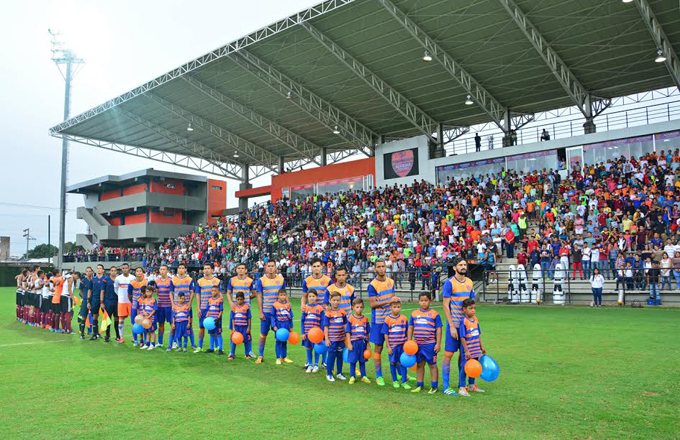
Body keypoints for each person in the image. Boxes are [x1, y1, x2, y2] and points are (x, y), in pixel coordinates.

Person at [441, 257, 475, 396]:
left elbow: (471, 304)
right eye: (460, 265)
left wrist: (473, 322)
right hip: (454, 325)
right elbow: (445, 305)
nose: (463, 267)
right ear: (454, 267)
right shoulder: (449, 283)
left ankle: (466, 385)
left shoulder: (469, 282)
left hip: (466, 327)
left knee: (465, 355)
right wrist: (452, 326)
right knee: (448, 355)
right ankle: (446, 386)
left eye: (464, 265)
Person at [367, 259, 395, 386]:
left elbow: (393, 301)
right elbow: (372, 304)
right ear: (375, 269)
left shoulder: (391, 282)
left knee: (395, 346)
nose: (381, 269)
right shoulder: (372, 285)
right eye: (379, 267)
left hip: (391, 319)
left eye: (383, 266)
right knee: (379, 347)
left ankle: (398, 374)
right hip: (378, 320)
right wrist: (388, 301)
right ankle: (379, 376)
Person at [408, 292, 442, 394]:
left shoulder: (435, 314)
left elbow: (439, 329)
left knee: (432, 365)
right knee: (419, 365)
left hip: (430, 344)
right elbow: (410, 328)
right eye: (422, 301)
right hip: (417, 345)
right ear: (419, 301)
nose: (424, 303)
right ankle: (419, 385)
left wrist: (438, 344)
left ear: (430, 301)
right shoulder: (414, 314)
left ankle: (434, 386)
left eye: (426, 300)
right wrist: (409, 342)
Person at [254, 261, 286, 364]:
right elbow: (259, 296)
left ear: (276, 267)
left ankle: (281, 357)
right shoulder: (261, 280)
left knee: (280, 334)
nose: (271, 268)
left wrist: (287, 306)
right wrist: (260, 312)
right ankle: (260, 355)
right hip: (266, 312)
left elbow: (284, 295)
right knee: (263, 334)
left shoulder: (281, 280)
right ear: (265, 267)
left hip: (279, 312)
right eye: (269, 266)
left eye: (273, 266)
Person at [458, 299, 486, 396]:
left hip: (476, 349)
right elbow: (462, 337)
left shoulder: (476, 319)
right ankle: (462, 387)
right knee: (465, 368)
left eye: (474, 308)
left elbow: (478, 334)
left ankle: (471, 385)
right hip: (468, 351)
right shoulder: (464, 321)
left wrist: (481, 347)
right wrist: (466, 351)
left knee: (473, 368)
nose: (473, 310)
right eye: (470, 308)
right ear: (464, 309)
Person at [381, 297, 411, 390]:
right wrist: (388, 346)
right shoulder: (387, 319)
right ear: (391, 307)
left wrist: (408, 344)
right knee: (393, 363)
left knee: (403, 363)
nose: (396, 309)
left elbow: (407, 332)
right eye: (394, 307)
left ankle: (404, 382)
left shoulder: (404, 318)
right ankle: (395, 381)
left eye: (398, 307)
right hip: (393, 346)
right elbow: (385, 334)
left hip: (402, 346)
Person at [195, 263, 222, 353]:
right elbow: (198, 295)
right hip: (203, 308)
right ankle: (200, 346)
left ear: (212, 270)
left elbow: (221, 295)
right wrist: (198, 307)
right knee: (201, 327)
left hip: (214, 309)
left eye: (208, 268)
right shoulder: (199, 281)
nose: (206, 270)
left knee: (214, 328)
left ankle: (217, 347)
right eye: (205, 268)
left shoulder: (217, 281)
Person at [345, 298, 371, 385]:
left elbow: (367, 332)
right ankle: (352, 376)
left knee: (362, 360)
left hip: (362, 343)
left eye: (361, 307)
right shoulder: (350, 319)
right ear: (353, 307)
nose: (359, 309)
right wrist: (349, 343)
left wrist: (368, 344)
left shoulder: (365, 319)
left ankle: (363, 376)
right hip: (354, 343)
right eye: (357, 307)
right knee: (353, 360)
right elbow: (348, 332)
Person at [323, 291, 347, 382]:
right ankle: (329, 374)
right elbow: (326, 327)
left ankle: (339, 373)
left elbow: (345, 325)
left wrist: (347, 336)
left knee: (340, 355)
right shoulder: (328, 313)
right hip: (332, 339)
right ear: (330, 300)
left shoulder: (342, 312)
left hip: (341, 338)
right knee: (331, 356)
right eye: (334, 300)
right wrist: (326, 339)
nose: (336, 302)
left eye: (338, 300)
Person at [171, 264, 196, 349]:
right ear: (177, 270)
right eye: (179, 268)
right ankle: (175, 343)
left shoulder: (190, 279)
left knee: (190, 324)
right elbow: (170, 292)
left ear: (185, 269)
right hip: (176, 306)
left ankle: (193, 344)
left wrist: (189, 303)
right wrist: (173, 304)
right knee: (175, 324)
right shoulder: (173, 280)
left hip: (186, 306)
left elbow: (192, 291)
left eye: (183, 268)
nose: (181, 269)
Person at [301, 289, 324, 372]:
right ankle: (310, 365)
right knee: (308, 348)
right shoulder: (305, 308)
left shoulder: (320, 308)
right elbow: (302, 321)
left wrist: (321, 332)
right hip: (307, 333)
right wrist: (303, 333)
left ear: (316, 297)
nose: (311, 298)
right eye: (310, 296)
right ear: (307, 298)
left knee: (316, 348)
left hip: (317, 334)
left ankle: (316, 365)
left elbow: (322, 321)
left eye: (313, 296)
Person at [271, 288, 293, 364]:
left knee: (284, 342)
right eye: (281, 295)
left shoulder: (288, 305)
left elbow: (290, 316)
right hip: (278, 325)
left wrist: (291, 326)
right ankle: (278, 358)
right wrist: (274, 326)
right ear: (278, 296)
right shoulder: (275, 305)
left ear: (286, 296)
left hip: (286, 325)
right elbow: (273, 316)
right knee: (278, 341)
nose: (283, 297)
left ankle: (284, 357)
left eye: (284, 295)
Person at [114, 263, 135, 344]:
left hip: (131, 301)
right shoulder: (118, 278)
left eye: (126, 268)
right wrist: (120, 296)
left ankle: (134, 337)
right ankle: (121, 337)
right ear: (121, 269)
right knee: (121, 319)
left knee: (133, 319)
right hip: (122, 301)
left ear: (129, 268)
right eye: (123, 268)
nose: (125, 269)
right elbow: (115, 289)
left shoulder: (133, 278)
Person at [228, 291, 252, 360]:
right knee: (233, 340)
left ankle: (247, 354)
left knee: (246, 341)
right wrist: (233, 327)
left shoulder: (246, 307)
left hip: (244, 327)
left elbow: (249, 318)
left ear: (243, 299)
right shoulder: (234, 307)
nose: (239, 301)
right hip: (236, 327)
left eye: (241, 299)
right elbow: (232, 318)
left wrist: (248, 328)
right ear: (236, 299)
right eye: (238, 299)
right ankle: (232, 354)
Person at [154, 264, 173, 348]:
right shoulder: (157, 281)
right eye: (161, 269)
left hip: (169, 306)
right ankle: (160, 342)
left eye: (164, 269)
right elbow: (157, 293)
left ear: (167, 271)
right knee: (160, 325)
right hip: (160, 306)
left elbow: (172, 293)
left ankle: (174, 342)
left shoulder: (171, 280)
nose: (162, 271)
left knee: (172, 324)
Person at [128, 267, 148, 346]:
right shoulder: (132, 283)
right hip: (134, 306)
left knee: (144, 322)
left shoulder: (146, 282)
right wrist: (133, 302)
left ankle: (143, 340)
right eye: (137, 271)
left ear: (143, 272)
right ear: (135, 273)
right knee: (134, 323)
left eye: (140, 271)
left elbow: (148, 293)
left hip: (144, 306)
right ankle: (135, 340)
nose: (139, 272)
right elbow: (129, 294)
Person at [88, 264, 107, 340]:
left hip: (104, 300)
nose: (99, 270)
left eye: (100, 268)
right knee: (95, 316)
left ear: (103, 270)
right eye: (98, 268)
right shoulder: (93, 280)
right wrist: (88, 301)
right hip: (95, 299)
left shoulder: (106, 279)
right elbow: (89, 290)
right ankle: (95, 334)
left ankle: (107, 335)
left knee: (106, 316)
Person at [102, 266, 119, 342]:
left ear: (116, 272)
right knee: (108, 319)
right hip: (108, 301)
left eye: (114, 270)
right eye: (112, 270)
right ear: (110, 271)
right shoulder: (106, 280)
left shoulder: (119, 280)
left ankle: (118, 335)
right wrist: (102, 302)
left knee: (117, 319)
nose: (113, 272)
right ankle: (107, 335)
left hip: (117, 302)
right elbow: (102, 291)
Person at [205, 285, 224, 355]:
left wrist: (218, 319)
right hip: (210, 321)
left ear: (218, 292)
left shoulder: (220, 300)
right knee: (211, 334)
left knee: (218, 334)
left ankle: (220, 349)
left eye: (215, 290)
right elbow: (208, 310)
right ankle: (211, 348)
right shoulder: (209, 300)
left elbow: (221, 310)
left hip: (217, 321)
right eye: (212, 290)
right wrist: (206, 317)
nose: (213, 292)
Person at [138, 285, 158, 350]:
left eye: (149, 292)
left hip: (152, 319)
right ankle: (147, 344)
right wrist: (145, 313)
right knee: (147, 331)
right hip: (146, 319)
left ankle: (153, 344)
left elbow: (155, 309)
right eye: (147, 292)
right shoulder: (144, 300)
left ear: (152, 292)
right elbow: (143, 308)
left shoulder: (154, 300)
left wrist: (150, 315)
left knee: (152, 331)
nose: (148, 293)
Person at [78, 267, 93, 339]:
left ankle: (95, 333)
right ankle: (82, 333)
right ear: (85, 272)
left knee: (94, 316)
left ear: (92, 272)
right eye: (87, 271)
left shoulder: (94, 280)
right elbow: (80, 291)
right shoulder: (83, 281)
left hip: (93, 300)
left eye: (90, 271)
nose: (88, 272)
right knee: (84, 316)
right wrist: (85, 297)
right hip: (85, 301)